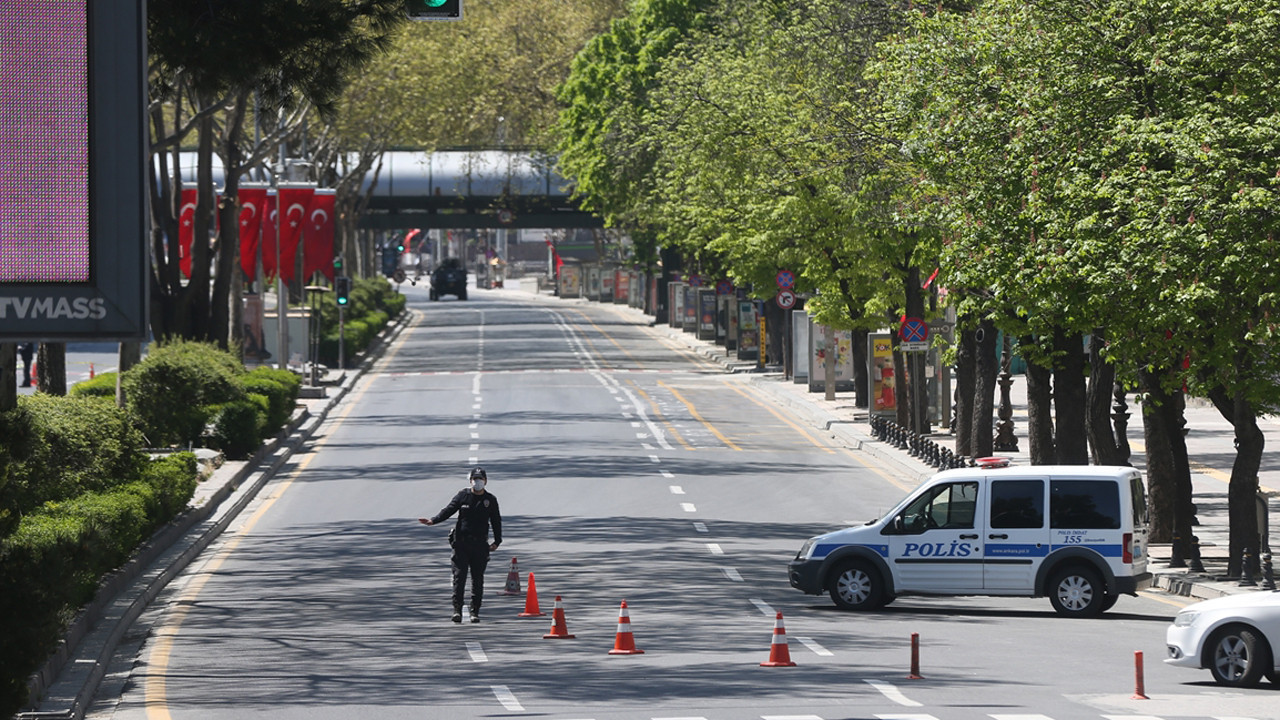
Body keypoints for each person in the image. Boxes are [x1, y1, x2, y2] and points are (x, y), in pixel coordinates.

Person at [419, 467, 502, 624]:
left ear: (485, 481)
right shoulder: (463, 496)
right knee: (459, 577)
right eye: (475, 479)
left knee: (478, 579)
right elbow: (449, 510)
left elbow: (496, 521)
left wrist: (497, 541)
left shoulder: (490, 500)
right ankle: (457, 610)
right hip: (461, 544)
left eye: (480, 479)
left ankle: (475, 611)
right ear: (470, 481)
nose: (477, 482)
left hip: (480, 545)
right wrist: (433, 521)